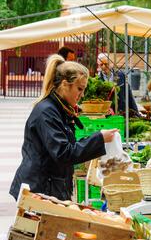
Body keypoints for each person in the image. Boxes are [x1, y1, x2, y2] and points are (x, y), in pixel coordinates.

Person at [9, 54, 117, 201]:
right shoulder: (47, 112)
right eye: (79, 89)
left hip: (48, 185)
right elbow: (63, 153)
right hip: (39, 189)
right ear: (65, 85)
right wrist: (99, 139)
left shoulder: (59, 108)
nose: (82, 94)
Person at [97, 53, 141, 117]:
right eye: (101, 65)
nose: (104, 66)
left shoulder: (121, 75)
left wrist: (136, 113)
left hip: (121, 111)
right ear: (98, 66)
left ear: (110, 63)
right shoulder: (97, 80)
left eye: (106, 64)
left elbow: (129, 95)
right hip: (106, 114)